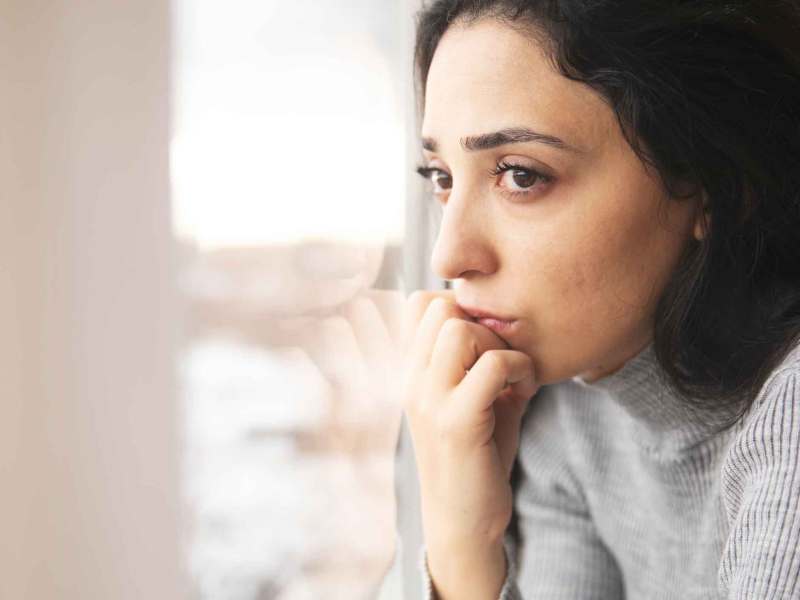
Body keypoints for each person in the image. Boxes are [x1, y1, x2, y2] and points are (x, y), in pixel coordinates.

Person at [397, 1, 800, 598]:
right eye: (443, 178)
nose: (448, 257)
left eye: (521, 175)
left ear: (712, 188)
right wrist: (463, 542)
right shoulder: (568, 413)